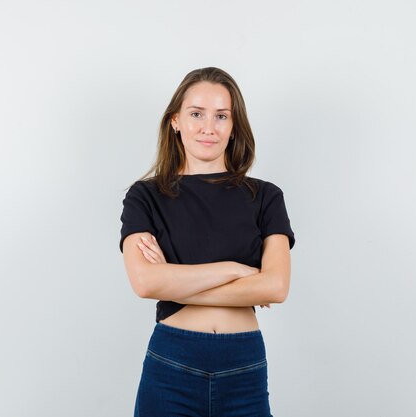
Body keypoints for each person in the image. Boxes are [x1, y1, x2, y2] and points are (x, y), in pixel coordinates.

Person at [119, 67, 295, 417]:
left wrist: (173, 281)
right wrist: (237, 271)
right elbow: (144, 282)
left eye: (221, 116)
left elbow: (275, 287)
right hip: (172, 362)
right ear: (176, 121)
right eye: (196, 114)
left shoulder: (265, 196)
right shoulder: (145, 196)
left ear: (233, 127)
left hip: (243, 364)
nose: (208, 127)